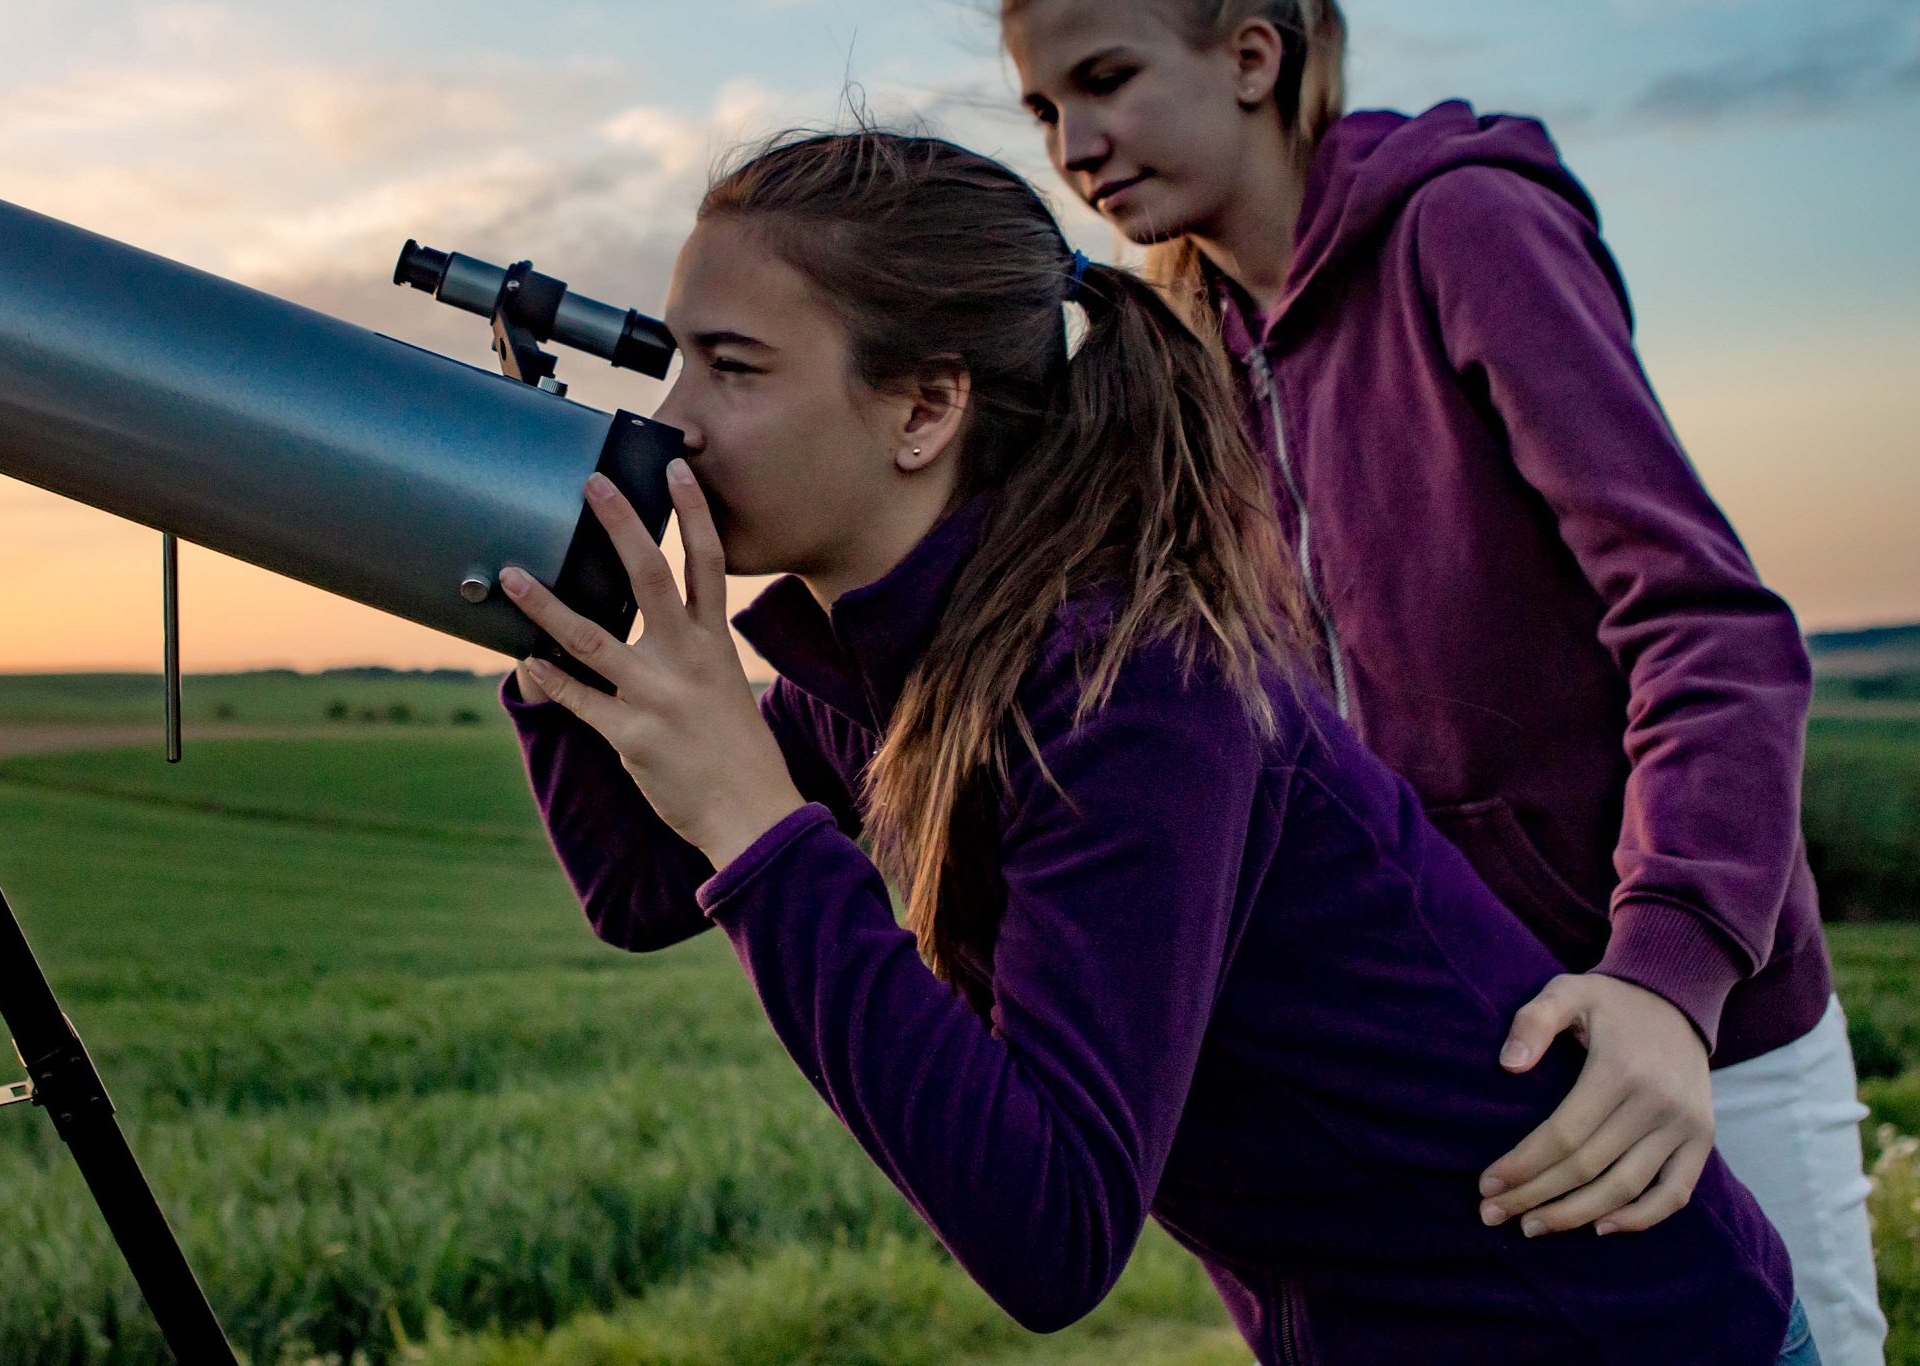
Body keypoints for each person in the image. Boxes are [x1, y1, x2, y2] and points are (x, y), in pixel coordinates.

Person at [498, 128, 1811, 1364]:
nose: (674, 418)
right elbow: (640, 890)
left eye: (732, 368)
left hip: (1602, 1335)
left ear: (924, 409)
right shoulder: (907, 658)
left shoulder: (1128, 685)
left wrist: (757, 824)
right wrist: (563, 615)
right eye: (674, 363)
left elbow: (1052, 1232)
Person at [998, 0, 1882, 1366]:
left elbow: (1709, 626)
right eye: (1038, 109)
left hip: (1695, 1022)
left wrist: (1667, 979)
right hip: (1457, 1045)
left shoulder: (1462, 229)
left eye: (1105, 81)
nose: (1071, 146)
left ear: (1254, 58)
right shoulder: (1175, 368)